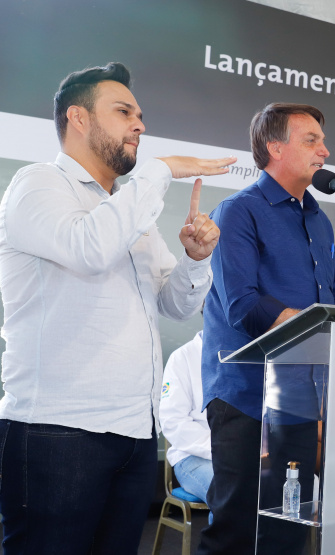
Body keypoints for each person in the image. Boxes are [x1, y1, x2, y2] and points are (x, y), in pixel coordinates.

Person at [0, 62, 235, 555]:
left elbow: (175, 303)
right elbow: (89, 249)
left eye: (141, 114)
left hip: (133, 432)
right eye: (124, 111)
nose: (140, 125)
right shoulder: (37, 185)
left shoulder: (128, 210)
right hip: (58, 431)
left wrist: (196, 260)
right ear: (78, 118)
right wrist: (162, 170)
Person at [198, 102, 335, 554]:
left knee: (290, 523)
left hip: (301, 397)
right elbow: (244, 307)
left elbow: (333, 300)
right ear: (274, 147)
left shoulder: (319, 220)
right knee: (237, 526)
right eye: (312, 141)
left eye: (323, 142)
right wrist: (327, 320)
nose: (325, 152)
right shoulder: (238, 212)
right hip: (246, 395)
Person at [161, 331, 213, 504]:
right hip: (192, 456)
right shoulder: (183, 357)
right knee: (230, 490)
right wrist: (222, 449)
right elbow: (173, 422)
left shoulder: (250, 353)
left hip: (243, 454)